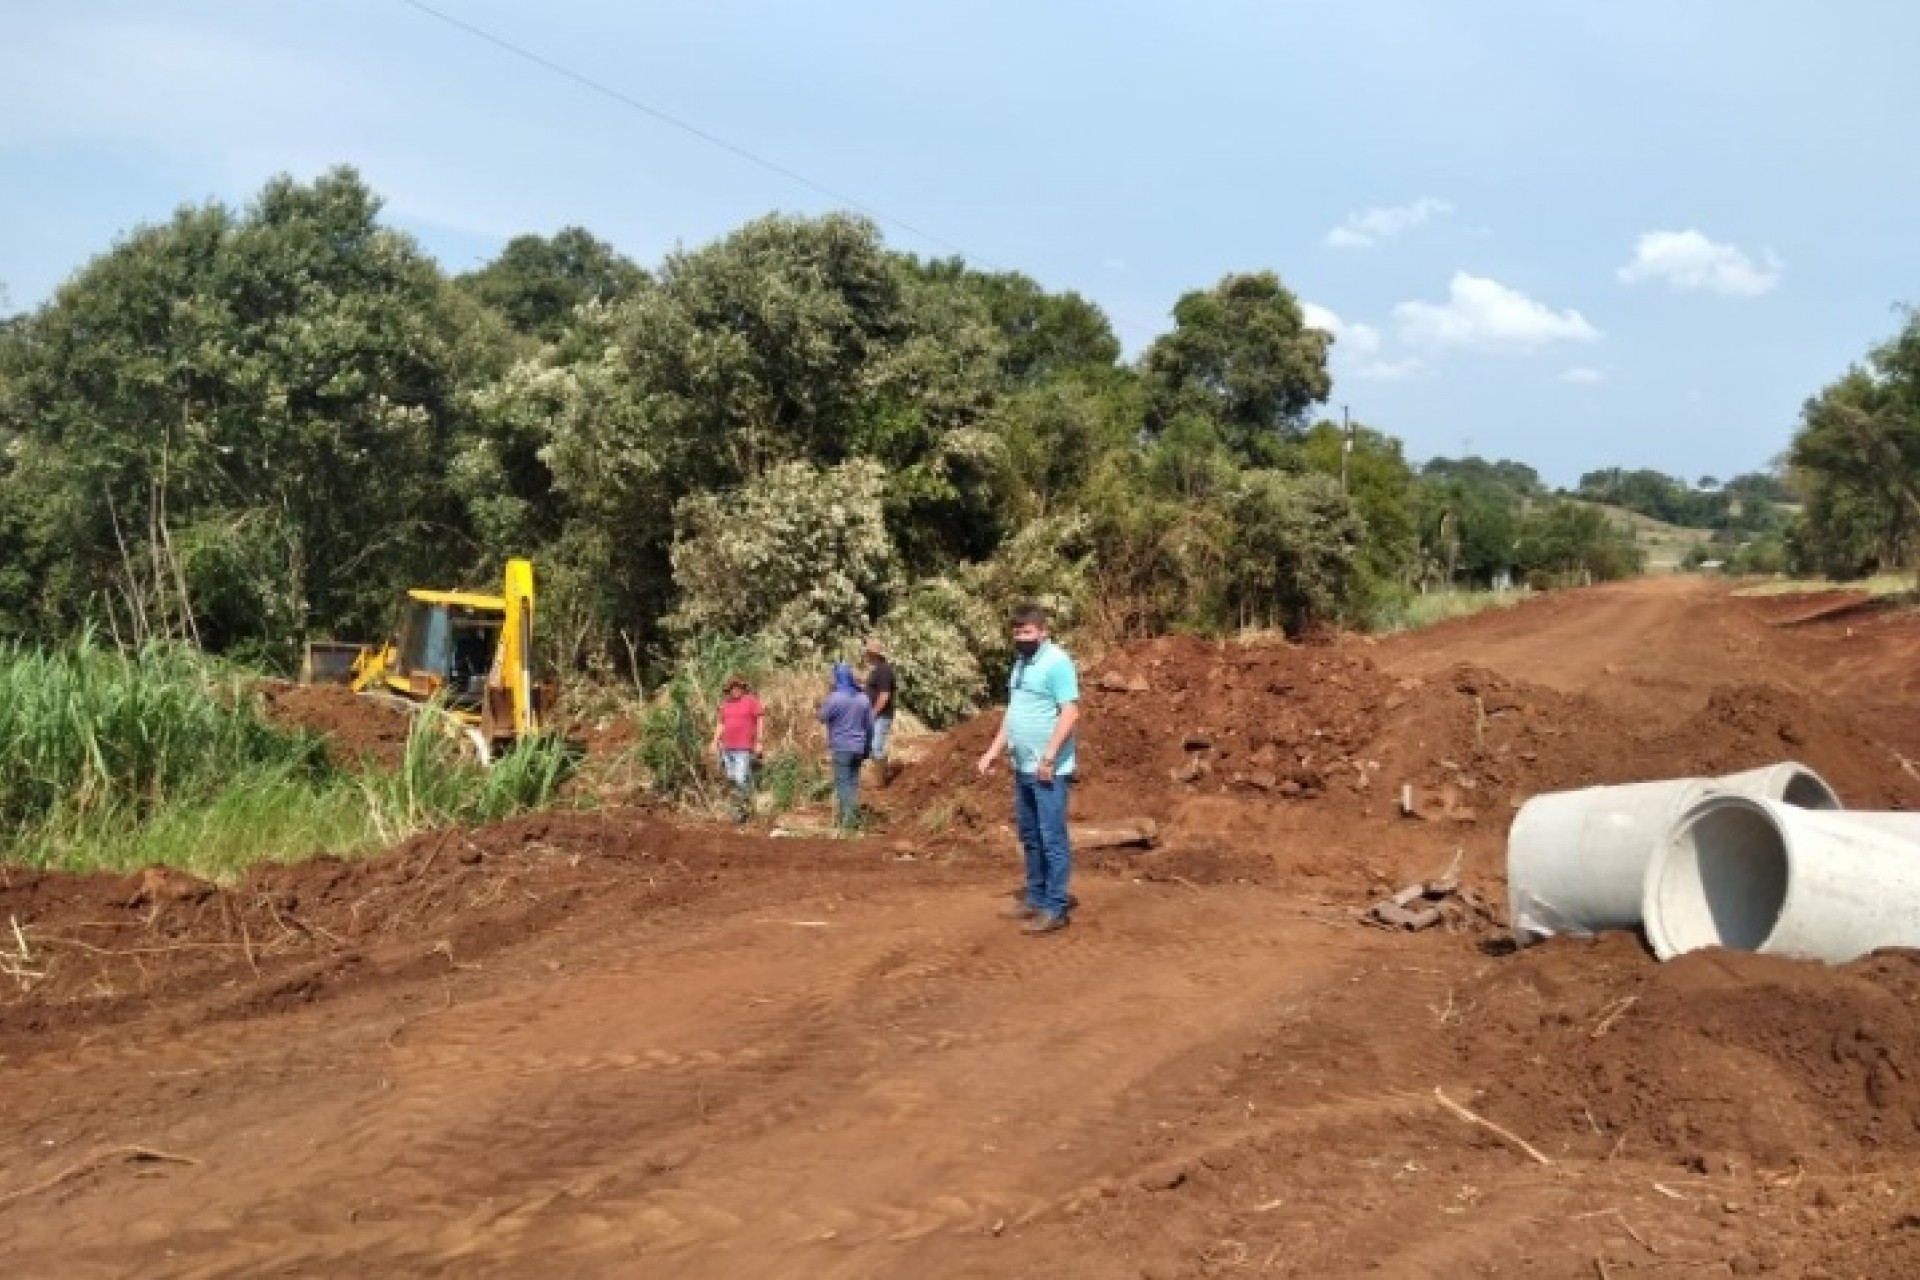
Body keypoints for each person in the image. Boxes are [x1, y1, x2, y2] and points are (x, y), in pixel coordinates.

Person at [975, 605, 1081, 935]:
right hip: (1022, 767)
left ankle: (1055, 907)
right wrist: (994, 750)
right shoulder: (1020, 665)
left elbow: (1070, 713)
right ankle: (1035, 897)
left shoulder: (1057, 663)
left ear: (1043, 631)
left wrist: (1049, 757)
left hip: (1048, 769)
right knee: (1031, 836)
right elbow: (1014, 712)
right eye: (1017, 633)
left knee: (1052, 838)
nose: (1022, 638)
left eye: (1028, 632)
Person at [818, 662, 873, 831]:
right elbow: (870, 726)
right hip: (858, 747)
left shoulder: (835, 698)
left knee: (842, 784)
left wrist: (824, 703)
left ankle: (849, 823)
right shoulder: (863, 698)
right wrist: (867, 748)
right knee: (853, 784)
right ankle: (846, 820)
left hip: (841, 747)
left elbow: (822, 717)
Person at [710, 674, 764, 822]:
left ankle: (746, 806)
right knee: (732, 779)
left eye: (738, 688)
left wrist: (759, 741)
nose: (735, 691)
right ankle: (737, 811)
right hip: (727, 748)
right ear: (729, 690)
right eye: (732, 688)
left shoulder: (751, 701)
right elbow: (721, 724)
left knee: (740, 778)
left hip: (743, 748)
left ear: (742, 688)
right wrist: (714, 741)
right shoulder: (726, 705)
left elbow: (760, 720)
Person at [862, 638, 899, 786]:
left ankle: (881, 781)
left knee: (876, 746)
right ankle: (883, 773)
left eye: (867, 653)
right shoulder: (877, 670)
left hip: (882, 715)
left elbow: (884, 695)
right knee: (872, 746)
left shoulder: (883, 671)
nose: (866, 656)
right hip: (877, 714)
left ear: (873, 654)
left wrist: (873, 713)